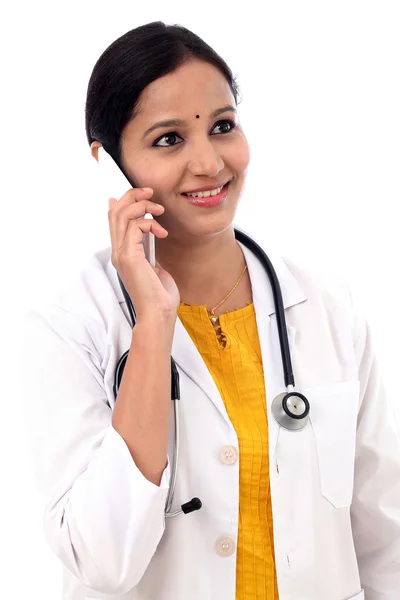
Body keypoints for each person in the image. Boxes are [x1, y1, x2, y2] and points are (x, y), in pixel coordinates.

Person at [22, 21, 400, 600]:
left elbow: (381, 539)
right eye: (168, 139)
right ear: (109, 164)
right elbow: (102, 561)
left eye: (222, 126)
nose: (208, 162)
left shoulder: (326, 307)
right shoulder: (73, 323)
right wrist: (152, 325)